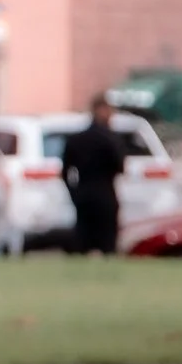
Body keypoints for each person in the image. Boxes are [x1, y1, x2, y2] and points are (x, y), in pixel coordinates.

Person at [62, 97, 128, 255]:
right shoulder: (111, 140)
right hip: (106, 195)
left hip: (83, 195)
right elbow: (120, 167)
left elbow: (65, 171)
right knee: (107, 244)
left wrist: (74, 193)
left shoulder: (76, 139)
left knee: (83, 242)